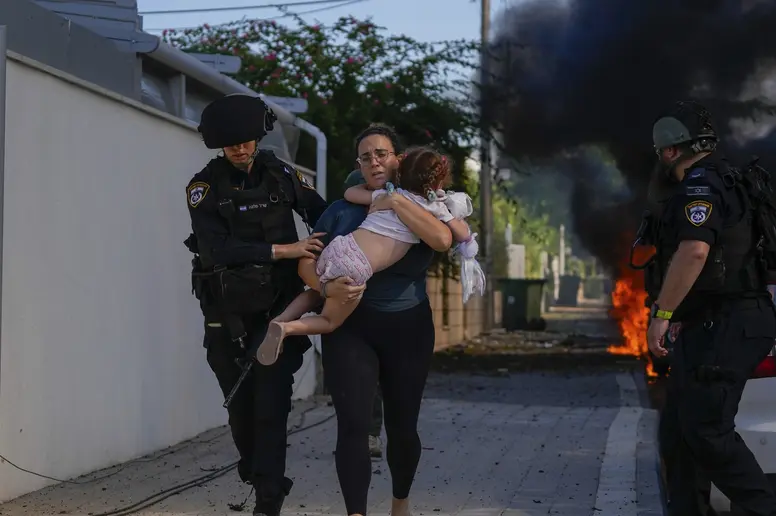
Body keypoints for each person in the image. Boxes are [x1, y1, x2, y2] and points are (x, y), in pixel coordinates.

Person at [183, 93, 329, 516]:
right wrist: (287, 250)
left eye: (247, 141)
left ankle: (269, 495)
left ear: (258, 137)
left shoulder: (282, 174)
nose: (241, 150)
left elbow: (321, 216)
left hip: (278, 310)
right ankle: (256, 469)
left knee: (271, 402)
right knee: (239, 403)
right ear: (219, 146)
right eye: (231, 145)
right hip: (226, 312)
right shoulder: (203, 187)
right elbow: (216, 251)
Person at [304, 123, 454, 516]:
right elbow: (307, 261)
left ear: (397, 159)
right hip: (351, 327)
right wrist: (324, 290)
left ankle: (400, 504)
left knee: (403, 428)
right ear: (360, 164)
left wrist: (397, 203)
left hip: (409, 328)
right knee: (352, 426)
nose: (374, 161)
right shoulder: (340, 210)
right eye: (366, 156)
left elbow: (444, 240)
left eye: (382, 153)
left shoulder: (424, 204)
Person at [645, 99, 776, 516]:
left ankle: (761, 508)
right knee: (679, 434)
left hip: (731, 321)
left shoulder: (700, 186)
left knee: (706, 430)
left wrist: (663, 314)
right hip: (711, 321)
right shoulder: (728, 179)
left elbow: (695, 253)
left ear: (669, 151)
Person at [255, 146, 475, 365]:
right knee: (330, 321)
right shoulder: (432, 207)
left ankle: (280, 319)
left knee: (317, 292)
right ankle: (287, 328)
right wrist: (449, 210)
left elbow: (350, 193)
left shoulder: (389, 194)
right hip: (356, 266)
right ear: (437, 183)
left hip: (341, 246)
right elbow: (462, 234)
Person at [345, 168, 387, 460]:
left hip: (376, 306)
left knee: (372, 376)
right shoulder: (344, 216)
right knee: (356, 376)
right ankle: (359, 433)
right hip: (350, 304)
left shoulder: (388, 215)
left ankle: (370, 433)